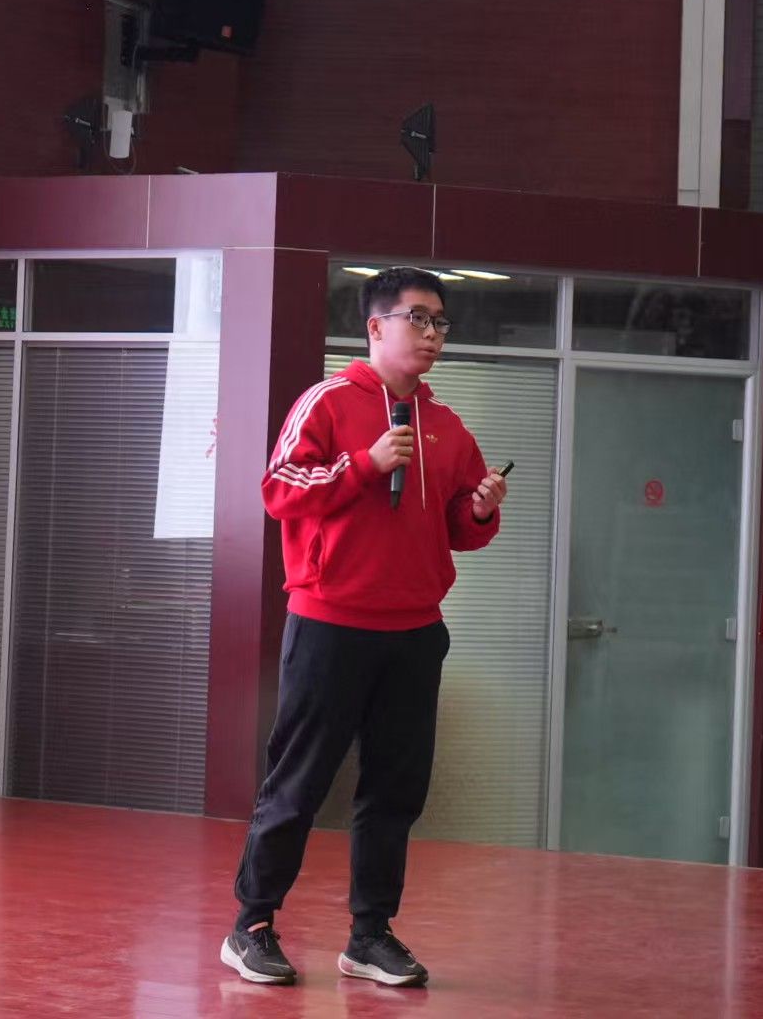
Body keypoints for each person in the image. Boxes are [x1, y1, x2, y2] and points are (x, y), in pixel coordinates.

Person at [220, 266, 507, 987]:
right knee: (299, 781)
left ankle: (370, 936)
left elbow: (457, 529)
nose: (433, 334)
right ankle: (251, 925)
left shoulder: (446, 425)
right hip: (331, 624)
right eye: (419, 319)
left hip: (415, 631)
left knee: (394, 791)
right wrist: (364, 464)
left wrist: (479, 508)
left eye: (441, 322)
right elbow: (279, 488)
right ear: (376, 326)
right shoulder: (327, 401)